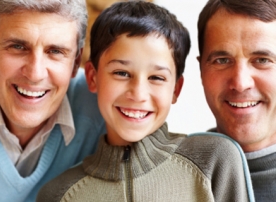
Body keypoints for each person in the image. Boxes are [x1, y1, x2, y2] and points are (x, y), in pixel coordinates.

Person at [36, 2, 254, 202]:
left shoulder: (214, 160)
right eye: (121, 73)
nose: (138, 94)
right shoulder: (58, 194)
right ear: (93, 77)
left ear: (176, 89)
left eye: (156, 78)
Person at [0, 0, 106, 201]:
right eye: (18, 47)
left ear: (76, 61)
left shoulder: (103, 108)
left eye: (55, 52)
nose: (35, 74)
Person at [197, 0, 276, 201]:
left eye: (262, 60)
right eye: (222, 61)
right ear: (201, 71)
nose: (240, 83)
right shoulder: (171, 175)